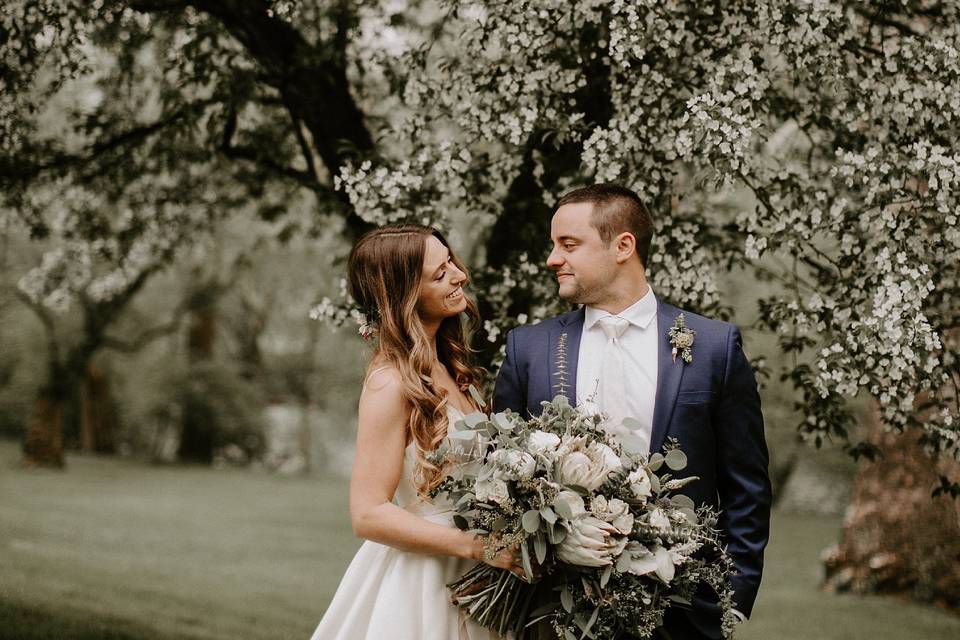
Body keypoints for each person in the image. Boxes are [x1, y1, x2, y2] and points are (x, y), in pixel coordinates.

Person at [493, 184, 771, 640]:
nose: (552, 259)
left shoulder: (713, 348)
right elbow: (503, 475)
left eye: (568, 244)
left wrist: (729, 604)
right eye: (553, 245)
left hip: (682, 615)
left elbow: (747, 489)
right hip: (555, 610)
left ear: (624, 246)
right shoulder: (530, 349)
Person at [310, 224, 517, 640]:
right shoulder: (389, 384)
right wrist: (478, 546)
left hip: (482, 580)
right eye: (440, 274)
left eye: (451, 263)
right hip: (425, 582)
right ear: (404, 297)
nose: (460, 275)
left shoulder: (454, 370)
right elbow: (368, 513)